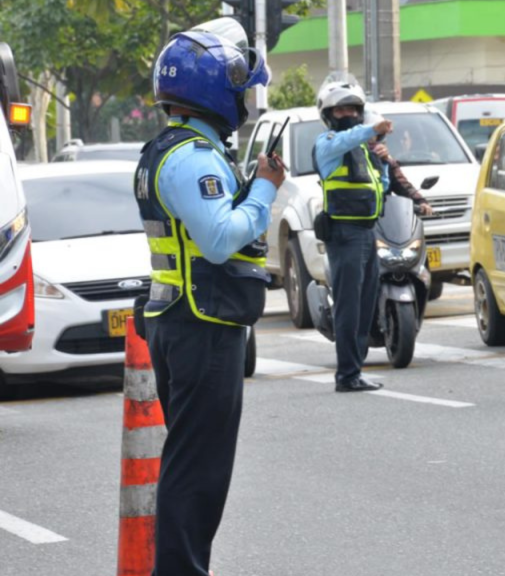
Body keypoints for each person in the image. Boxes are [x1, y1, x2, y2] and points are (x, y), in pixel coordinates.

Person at [133, 18, 285, 575]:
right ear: (214, 87)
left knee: (193, 463)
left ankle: (184, 565)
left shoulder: (169, 150)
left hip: (184, 324)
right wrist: (265, 187)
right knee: (198, 471)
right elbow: (220, 239)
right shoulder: (192, 157)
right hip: (201, 326)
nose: (246, 98)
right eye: (241, 84)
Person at [313, 82, 392, 392]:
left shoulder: (363, 149)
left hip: (367, 231)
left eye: (354, 109)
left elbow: (381, 188)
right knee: (348, 306)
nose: (349, 114)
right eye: (341, 109)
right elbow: (351, 136)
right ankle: (346, 375)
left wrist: (383, 162)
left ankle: (355, 370)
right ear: (329, 115)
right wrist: (372, 129)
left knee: (364, 304)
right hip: (344, 233)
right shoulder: (328, 144)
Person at [364, 111, 434, 215]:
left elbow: (402, 184)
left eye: (374, 135)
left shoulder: (386, 160)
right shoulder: (346, 156)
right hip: (351, 219)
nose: (370, 139)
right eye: (366, 134)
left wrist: (420, 202)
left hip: (380, 221)